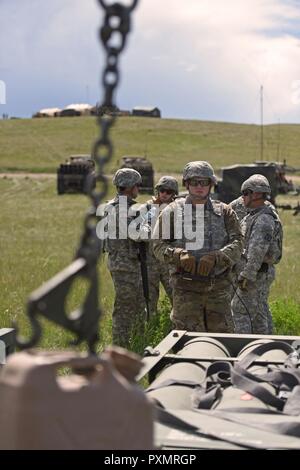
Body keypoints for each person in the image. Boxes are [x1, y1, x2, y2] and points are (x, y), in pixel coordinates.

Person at [152, 161, 243, 333]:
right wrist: (177, 254)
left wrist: (218, 257)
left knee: (221, 342)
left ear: (211, 184)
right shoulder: (171, 212)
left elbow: (238, 243)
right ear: (186, 184)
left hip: (218, 290)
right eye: (194, 182)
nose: (199, 187)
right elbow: (157, 245)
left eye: (204, 182)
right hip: (186, 291)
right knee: (187, 341)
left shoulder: (225, 212)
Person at [231, 174, 283, 334]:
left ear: (256, 194)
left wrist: (247, 275)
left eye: (245, 193)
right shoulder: (257, 214)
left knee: (239, 309)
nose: (243, 197)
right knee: (260, 311)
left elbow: (257, 251)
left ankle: (242, 347)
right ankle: (267, 344)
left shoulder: (263, 219)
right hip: (259, 273)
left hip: (255, 274)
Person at [103, 168, 146, 348]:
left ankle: (137, 343)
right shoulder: (121, 209)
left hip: (126, 262)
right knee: (125, 308)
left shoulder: (117, 206)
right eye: (137, 186)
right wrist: (149, 226)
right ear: (130, 187)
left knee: (137, 305)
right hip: (124, 264)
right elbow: (137, 235)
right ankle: (120, 347)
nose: (138, 189)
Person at [142, 176, 179, 312]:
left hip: (169, 260)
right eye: (162, 190)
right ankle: (150, 328)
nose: (164, 194)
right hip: (151, 261)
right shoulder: (149, 208)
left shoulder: (177, 209)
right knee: (149, 300)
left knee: (176, 297)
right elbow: (143, 231)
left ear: (174, 193)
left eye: (168, 191)